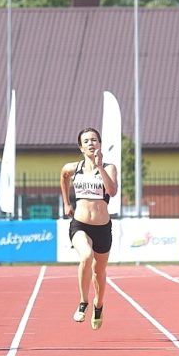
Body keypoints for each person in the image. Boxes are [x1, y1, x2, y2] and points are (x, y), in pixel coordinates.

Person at [60, 127, 118, 330]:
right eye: (86, 141)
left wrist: (100, 166)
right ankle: (83, 301)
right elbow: (63, 176)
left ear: (100, 144)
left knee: (99, 271)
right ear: (81, 147)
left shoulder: (109, 168)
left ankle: (98, 305)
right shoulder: (73, 168)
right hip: (80, 224)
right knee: (86, 256)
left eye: (94, 140)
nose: (91, 143)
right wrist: (66, 203)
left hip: (102, 228)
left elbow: (112, 191)